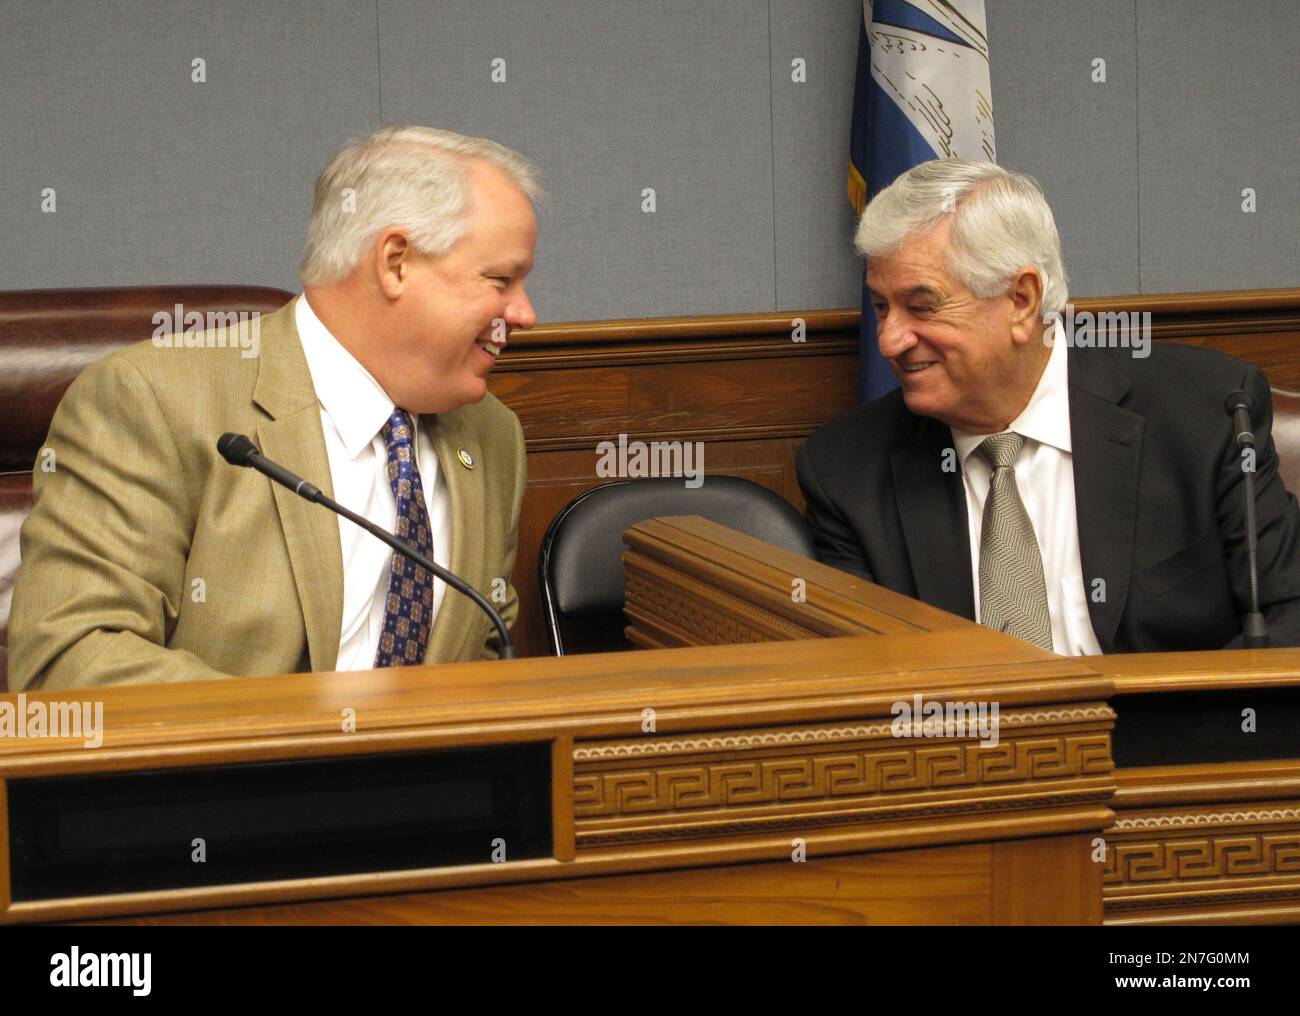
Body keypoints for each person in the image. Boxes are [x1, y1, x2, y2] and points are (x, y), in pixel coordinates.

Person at [10, 126, 540, 690]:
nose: (525, 314)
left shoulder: (491, 437)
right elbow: (68, 661)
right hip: (221, 777)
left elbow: (487, 656)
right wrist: (307, 741)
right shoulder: (151, 400)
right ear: (395, 262)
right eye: (501, 280)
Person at [798, 159, 1300, 654]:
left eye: (922, 305)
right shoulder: (846, 471)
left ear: (1021, 300)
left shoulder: (1207, 412)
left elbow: (1288, 614)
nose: (889, 341)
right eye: (882, 307)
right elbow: (862, 675)